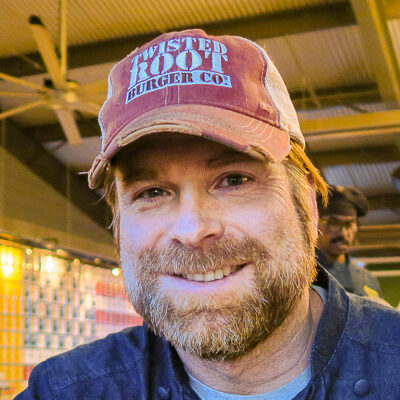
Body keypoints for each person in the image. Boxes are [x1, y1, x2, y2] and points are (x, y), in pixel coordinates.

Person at [16, 29, 400, 400]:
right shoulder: (64, 390)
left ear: (309, 208)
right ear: (118, 228)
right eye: (152, 192)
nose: (192, 229)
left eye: (234, 180)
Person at [316, 185, 383, 298]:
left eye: (349, 224)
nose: (342, 233)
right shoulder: (303, 275)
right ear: (315, 225)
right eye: (334, 223)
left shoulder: (367, 279)